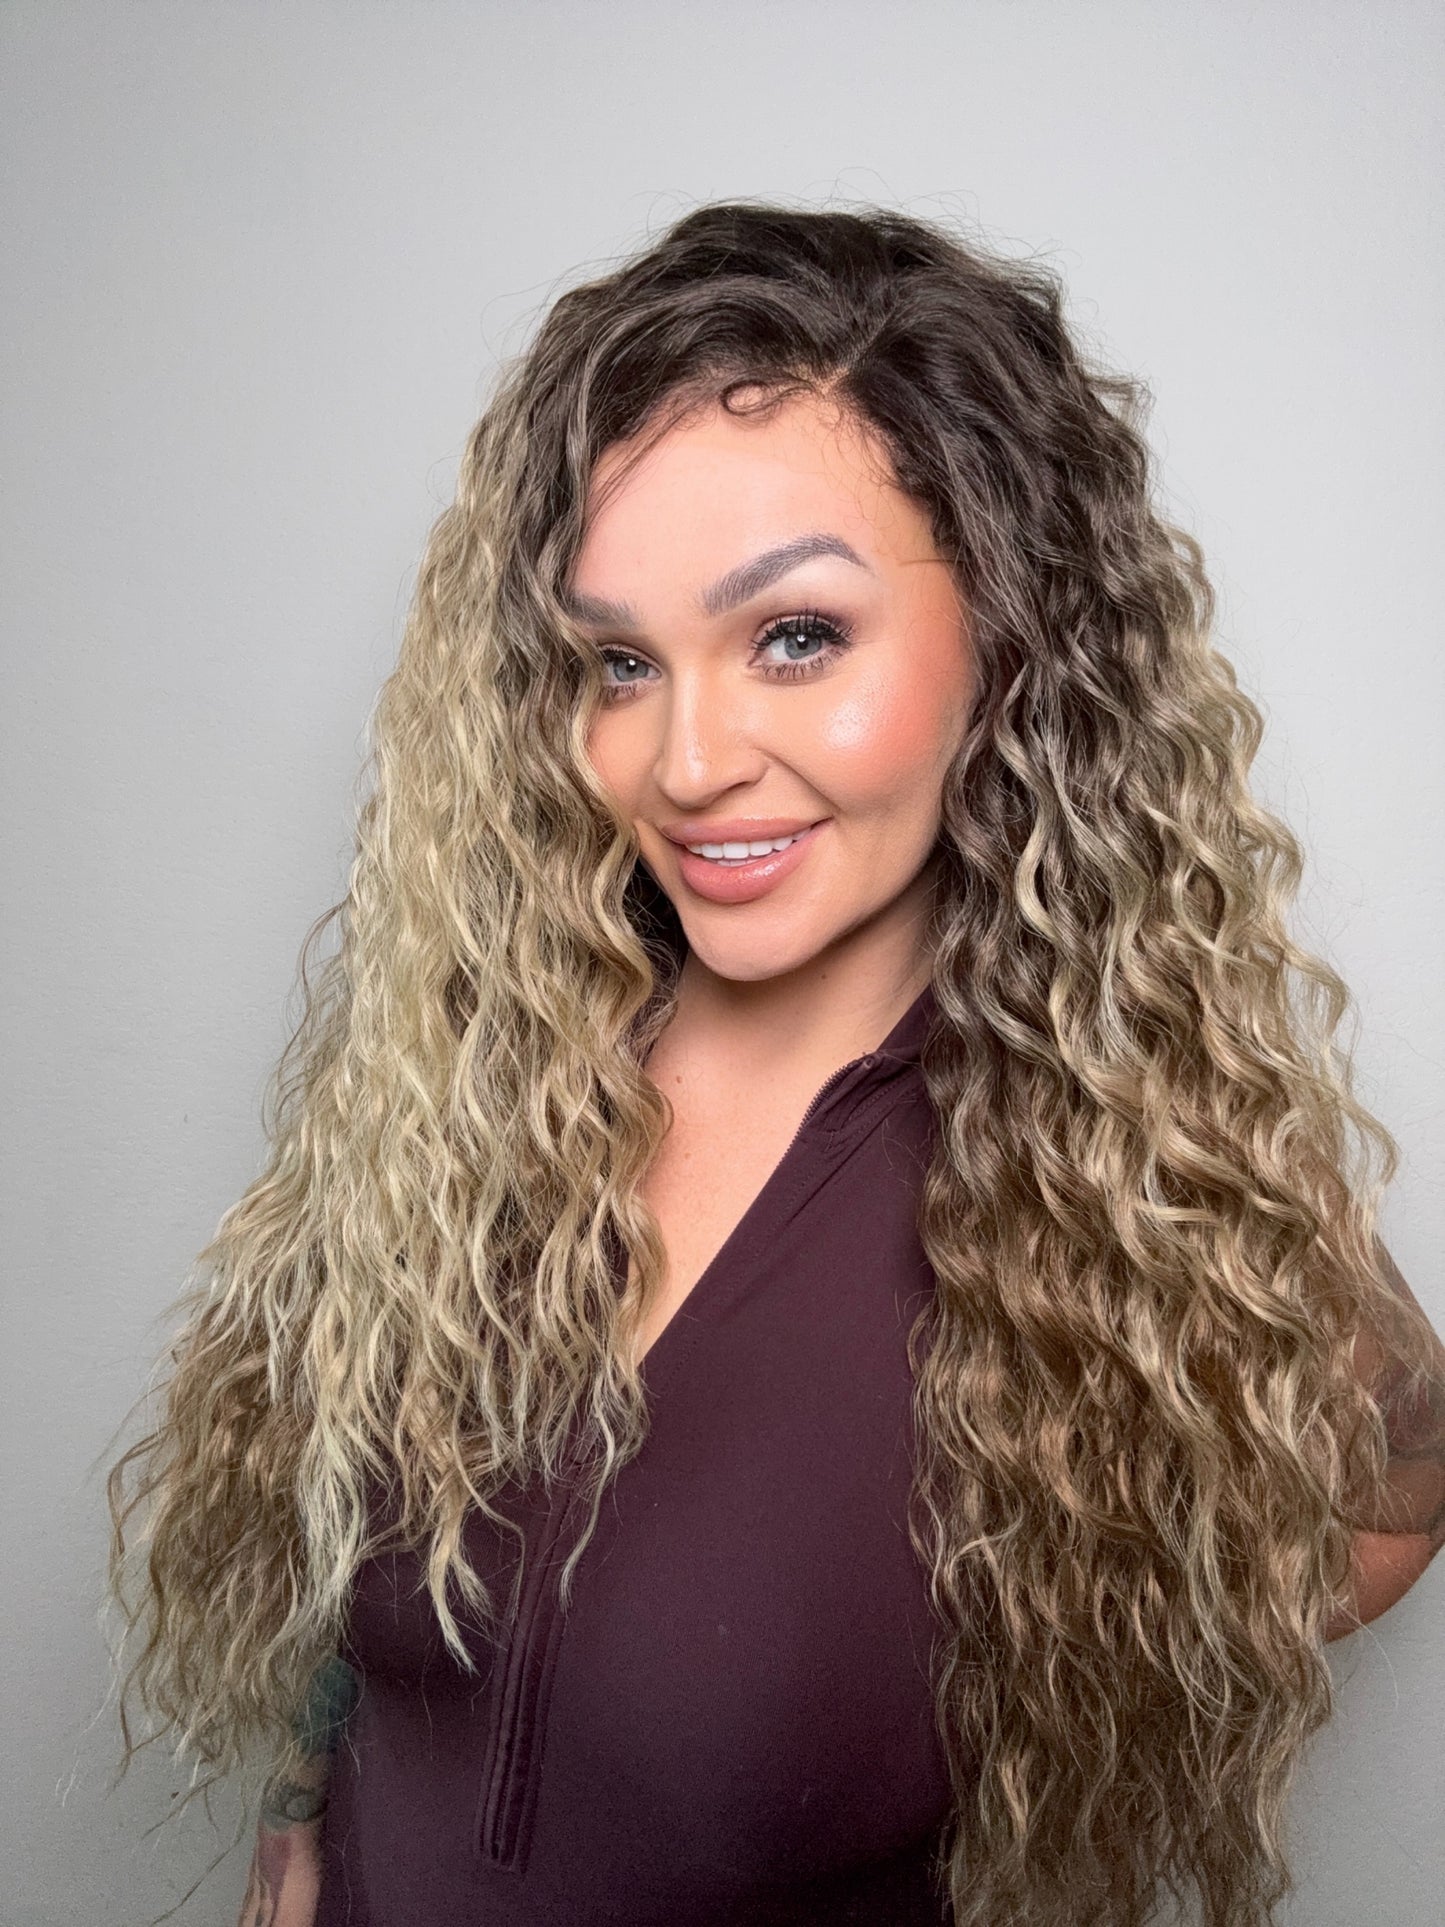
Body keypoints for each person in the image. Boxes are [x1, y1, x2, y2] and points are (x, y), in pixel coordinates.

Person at [107, 201, 1445, 1927]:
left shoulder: (1122, 1184)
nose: (683, 762)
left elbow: (1392, 1491)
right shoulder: (494, 1070)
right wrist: (303, 1819)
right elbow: (341, 1536)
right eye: (617, 663)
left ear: (1011, 637)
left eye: (795, 636)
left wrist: (1103, 1633)